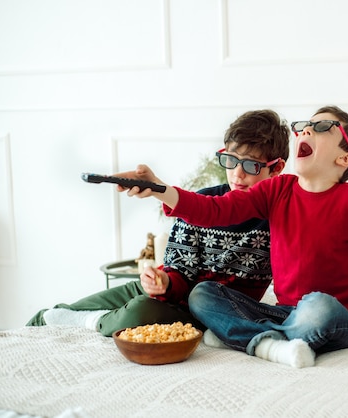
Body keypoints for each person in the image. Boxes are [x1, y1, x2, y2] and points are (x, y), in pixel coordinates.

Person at [119, 105, 348, 368]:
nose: (306, 130)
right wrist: (160, 189)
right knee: (203, 294)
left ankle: (244, 337)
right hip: (286, 314)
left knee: (319, 304)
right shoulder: (277, 190)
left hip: (336, 317)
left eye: (322, 128)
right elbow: (214, 210)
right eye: (305, 125)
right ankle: (268, 343)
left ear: (344, 158)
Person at [26, 109, 290, 337]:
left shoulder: (279, 215)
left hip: (202, 311)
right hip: (169, 288)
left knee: (140, 311)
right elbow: (179, 268)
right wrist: (163, 281)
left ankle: (92, 322)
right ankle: (43, 324)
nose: (237, 173)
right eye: (230, 160)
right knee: (53, 314)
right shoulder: (201, 202)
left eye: (251, 166)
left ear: (276, 169)